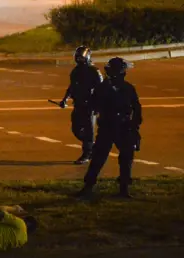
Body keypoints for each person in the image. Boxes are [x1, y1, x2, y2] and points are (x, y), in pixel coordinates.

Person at [76, 57, 142, 199]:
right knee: (100, 157)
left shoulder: (125, 88)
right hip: (109, 126)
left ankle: (123, 189)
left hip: (122, 127)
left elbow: (137, 108)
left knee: (125, 158)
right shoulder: (107, 88)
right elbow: (92, 107)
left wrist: (135, 127)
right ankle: (89, 187)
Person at [59, 46, 104, 164]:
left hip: (90, 105)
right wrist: (65, 99)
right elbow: (72, 86)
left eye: (82, 58)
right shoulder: (75, 71)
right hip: (78, 104)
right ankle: (92, 146)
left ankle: (87, 154)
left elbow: (102, 88)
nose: (79, 61)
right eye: (78, 58)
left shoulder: (94, 71)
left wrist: (100, 105)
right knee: (76, 129)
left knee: (89, 130)